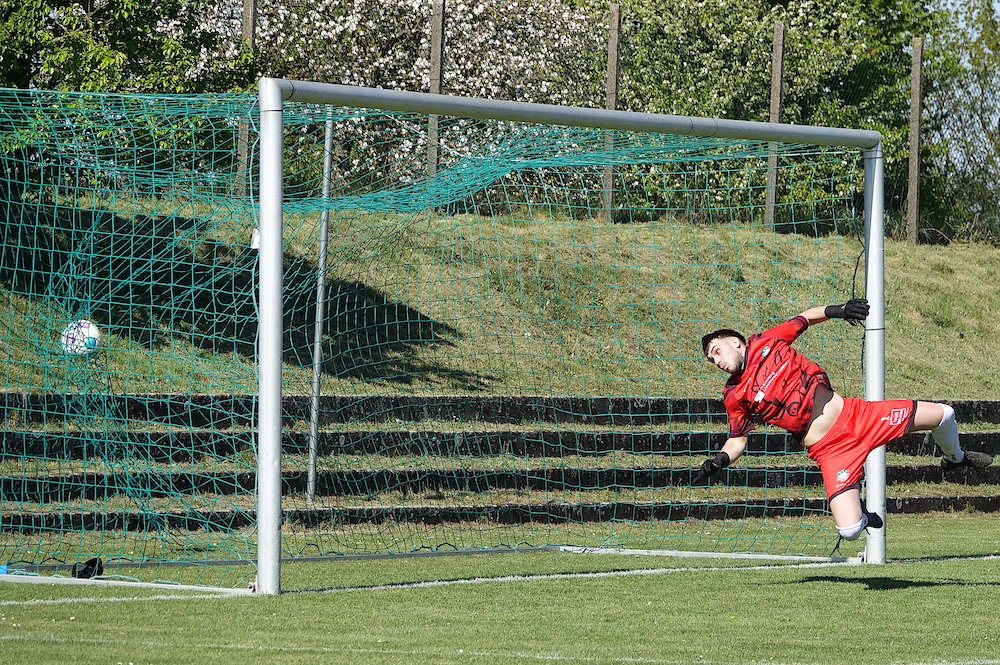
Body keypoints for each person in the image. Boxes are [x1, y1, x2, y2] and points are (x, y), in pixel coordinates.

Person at [696, 299, 994, 542]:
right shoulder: (734, 394)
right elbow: (738, 440)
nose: (717, 361)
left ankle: (955, 459)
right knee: (850, 530)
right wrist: (718, 461)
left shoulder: (768, 341)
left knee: (944, 414)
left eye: (717, 351)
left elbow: (804, 318)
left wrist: (838, 310)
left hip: (858, 417)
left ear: (735, 342)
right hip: (831, 450)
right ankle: (864, 516)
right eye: (712, 360)